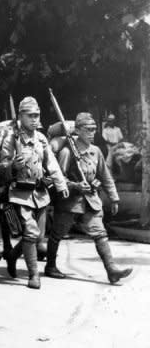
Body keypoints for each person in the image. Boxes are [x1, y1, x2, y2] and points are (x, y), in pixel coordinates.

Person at [45, 112, 132, 284]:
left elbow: (105, 176)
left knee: (100, 234)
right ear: (77, 130)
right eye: (88, 129)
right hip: (69, 203)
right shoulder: (67, 151)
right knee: (57, 234)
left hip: (90, 201)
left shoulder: (96, 151)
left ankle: (111, 270)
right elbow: (58, 178)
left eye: (94, 129)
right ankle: (50, 266)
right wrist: (75, 185)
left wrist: (114, 198)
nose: (93, 133)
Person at [0, 97, 69, 289]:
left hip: (40, 193)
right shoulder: (11, 138)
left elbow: (51, 163)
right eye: (30, 115)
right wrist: (13, 165)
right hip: (19, 193)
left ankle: (13, 256)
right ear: (21, 116)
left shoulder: (41, 139)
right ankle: (33, 275)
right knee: (30, 232)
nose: (34, 119)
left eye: (37, 115)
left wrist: (61, 184)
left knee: (37, 236)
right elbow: (1, 167)